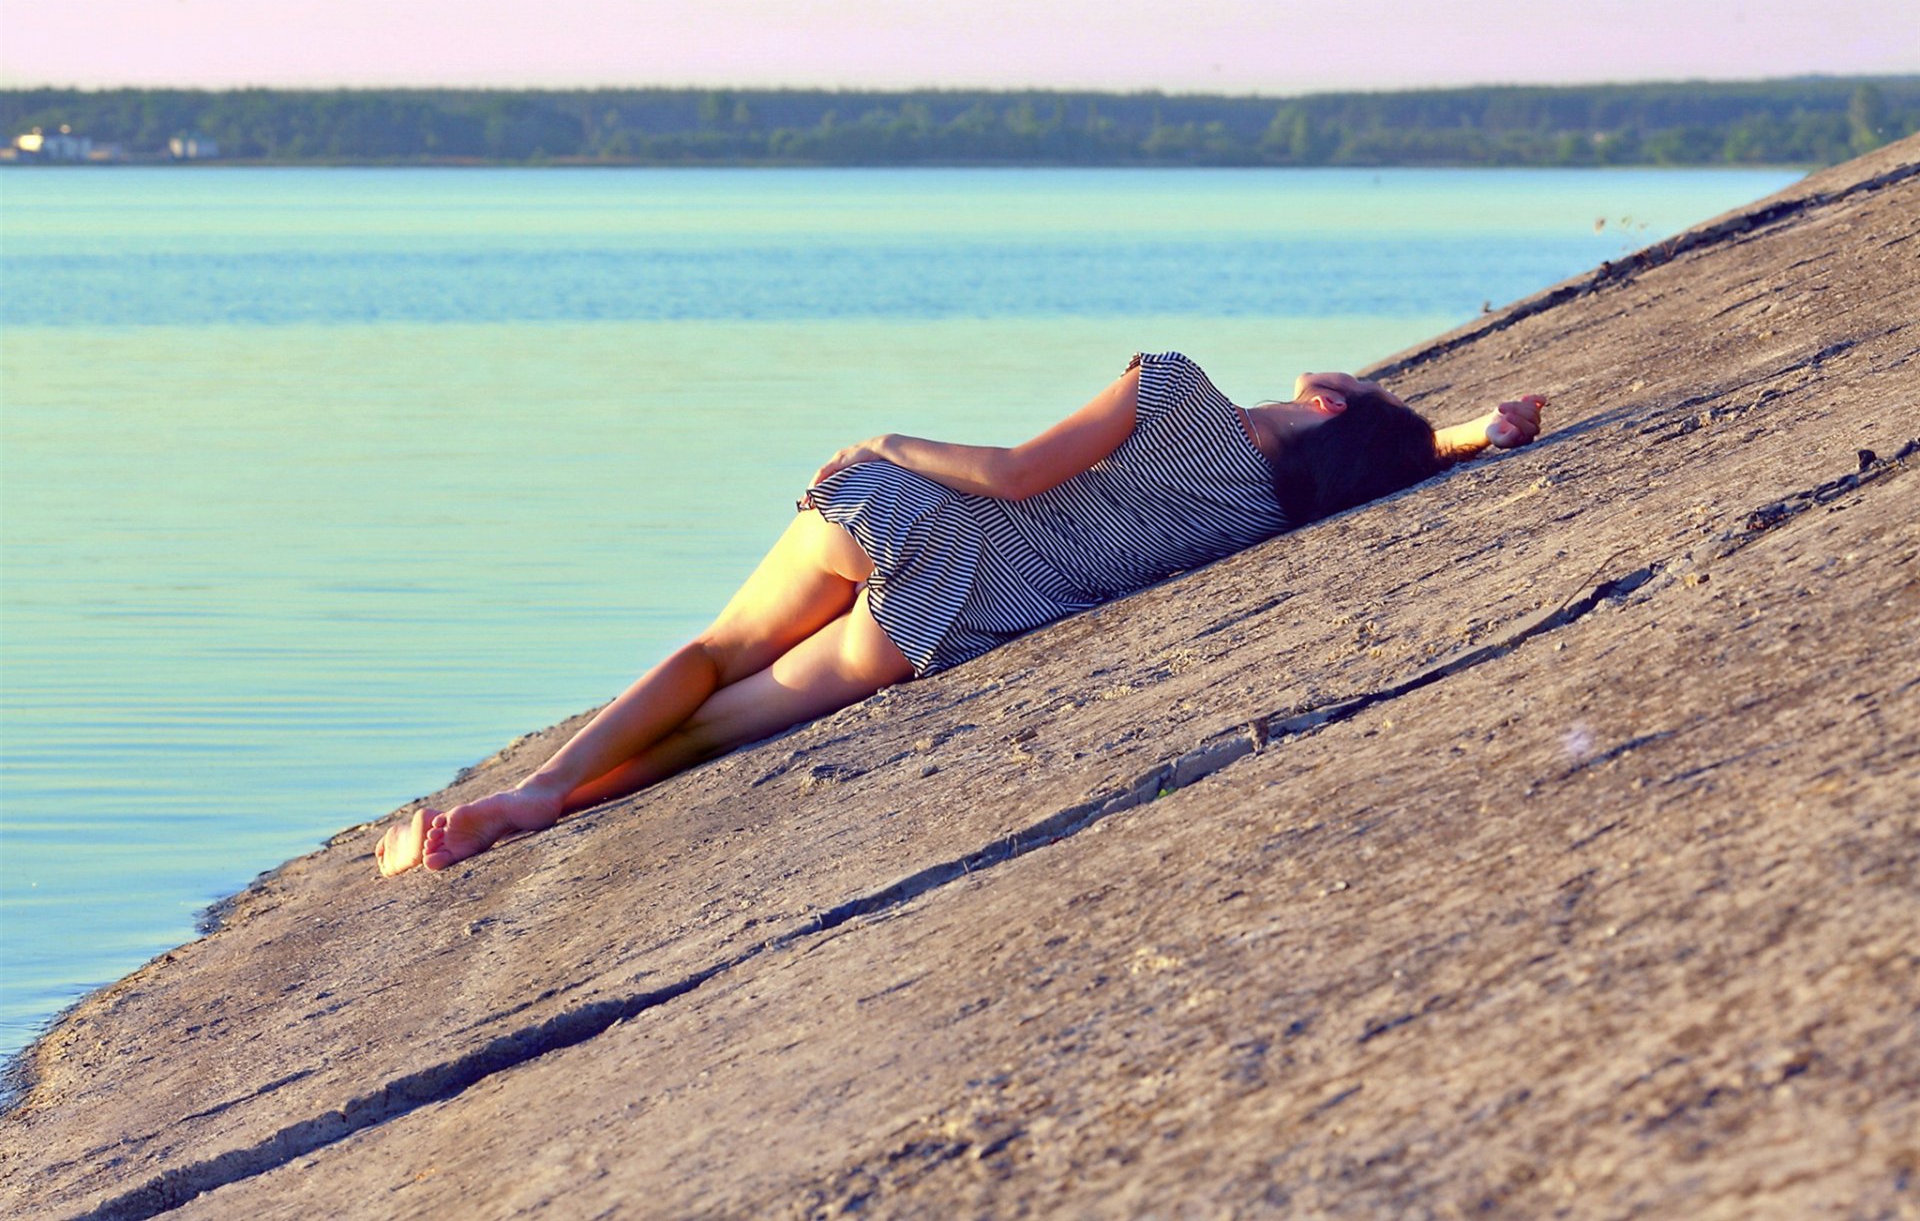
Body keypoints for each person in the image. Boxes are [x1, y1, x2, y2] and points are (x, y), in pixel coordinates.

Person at [375, 352, 1545, 877]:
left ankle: (533, 786)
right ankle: (542, 814)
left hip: (920, 515)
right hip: (972, 606)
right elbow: (1392, 467)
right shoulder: (1268, 516)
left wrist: (884, 442)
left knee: (717, 648)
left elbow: (1015, 471)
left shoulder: (1171, 384)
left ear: (1327, 397)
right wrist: (1463, 437)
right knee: (726, 727)